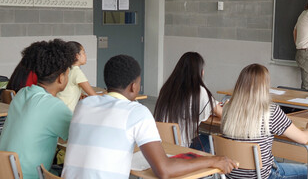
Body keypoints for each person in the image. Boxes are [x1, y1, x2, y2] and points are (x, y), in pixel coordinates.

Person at [62, 54, 237, 178]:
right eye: (139, 84)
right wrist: (213, 160)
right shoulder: (136, 112)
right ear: (133, 87)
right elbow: (164, 170)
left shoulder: (84, 105)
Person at [221, 64, 308, 179]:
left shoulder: (228, 109)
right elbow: (303, 138)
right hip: (261, 175)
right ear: (265, 86)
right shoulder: (270, 111)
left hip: (231, 174)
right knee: (306, 171)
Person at [0, 39, 75, 179]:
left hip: (5, 172)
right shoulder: (53, 106)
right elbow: (78, 138)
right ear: (61, 78)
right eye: (67, 74)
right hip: (30, 176)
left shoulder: (22, 94)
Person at [154, 52, 222, 153]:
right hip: (181, 148)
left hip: (161, 146)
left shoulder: (167, 88)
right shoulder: (198, 91)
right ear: (201, 72)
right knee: (212, 139)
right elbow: (222, 113)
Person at [57, 41, 97, 112]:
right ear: (77, 56)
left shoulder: (65, 69)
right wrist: (107, 93)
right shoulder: (76, 72)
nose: (85, 55)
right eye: (83, 52)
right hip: (67, 113)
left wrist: (79, 94)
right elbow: (94, 96)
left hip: (58, 109)